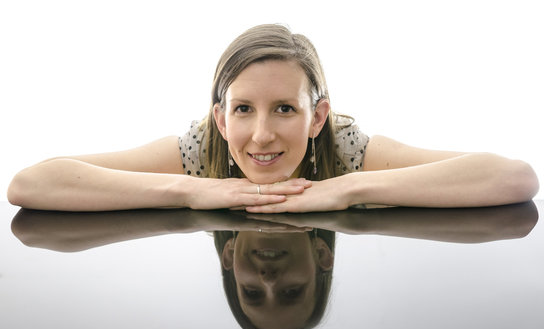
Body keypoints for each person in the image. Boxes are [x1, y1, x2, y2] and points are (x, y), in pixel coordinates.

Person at [7, 24, 539, 212]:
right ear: (220, 119)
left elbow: (514, 178)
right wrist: (189, 190)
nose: (261, 134)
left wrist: (345, 189)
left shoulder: (346, 147)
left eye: (285, 108)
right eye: (243, 110)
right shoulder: (200, 150)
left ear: (317, 117)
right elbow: (31, 184)